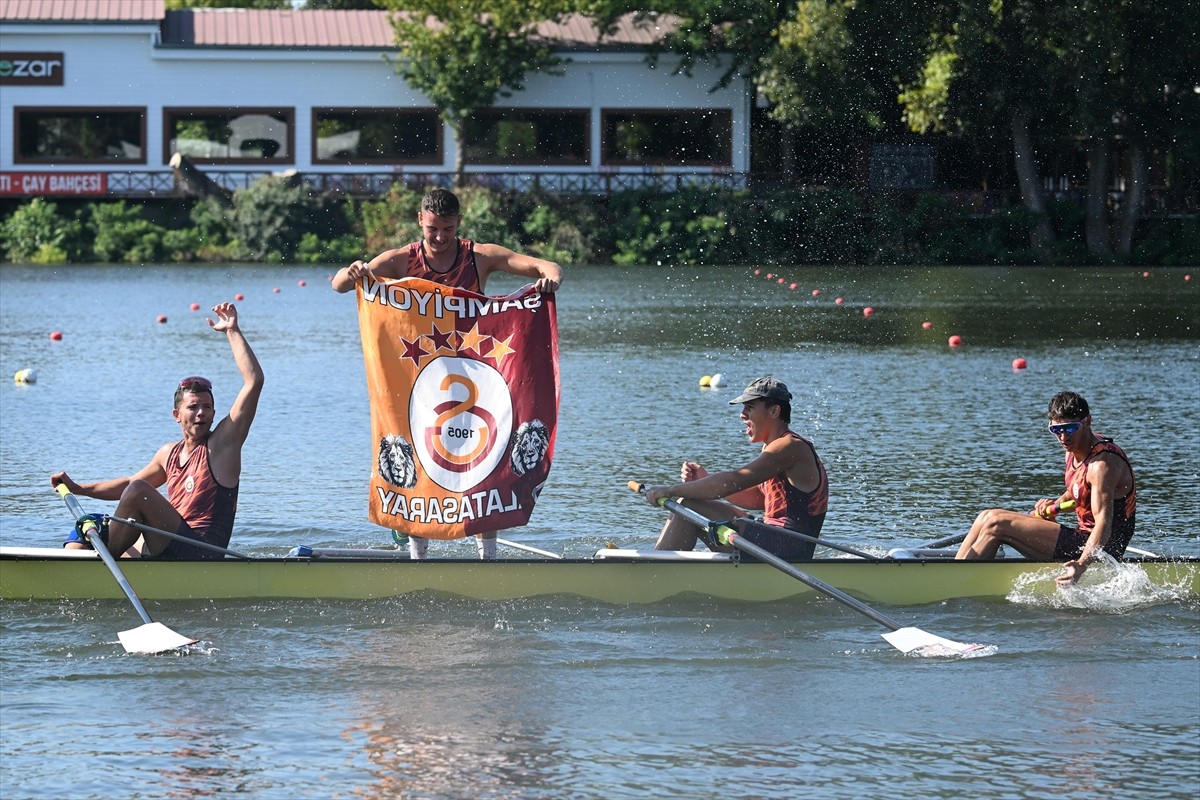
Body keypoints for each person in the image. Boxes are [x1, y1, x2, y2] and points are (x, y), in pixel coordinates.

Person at [332, 187, 563, 560]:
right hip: (420, 381)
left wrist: (550, 279)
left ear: (459, 223)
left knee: (484, 464)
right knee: (418, 459)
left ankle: (488, 558)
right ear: (420, 221)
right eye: (432, 229)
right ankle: (417, 557)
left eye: (448, 230)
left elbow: (547, 267)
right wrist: (353, 271)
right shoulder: (401, 260)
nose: (439, 238)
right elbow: (340, 285)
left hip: (473, 378)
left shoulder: (479, 257)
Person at [52, 303, 264, 559]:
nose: (201, 413)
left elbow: (254, 382)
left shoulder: (222, 445)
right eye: (193, 407)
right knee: (91, 525)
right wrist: (79, 488)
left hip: (202, 553)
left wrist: (232, 330)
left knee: (139, 492)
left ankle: (105, 560)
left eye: (207, 407)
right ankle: (78, 567)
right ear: (177, 415)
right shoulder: (168, 454)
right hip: (171, 544)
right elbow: (127, 485)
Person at [955, 391, 1136, 586]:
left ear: (1088, 421)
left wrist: (1081, 565)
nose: (1063, 437)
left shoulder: (1101, 466)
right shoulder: (1074, 450)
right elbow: (1077, 492)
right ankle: (952, 572)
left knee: (996, 524)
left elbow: (1103, 524)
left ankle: (955, 584)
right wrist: (1053, 506)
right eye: (1056, 430)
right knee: (986, 516)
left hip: (1101, 550)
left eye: (1070, 428)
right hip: (1083, 538)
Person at [644, 377, 828, 559]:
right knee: (690, 506)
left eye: (750, 407)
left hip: (788, 547)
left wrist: (670, 490)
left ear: (774, 411)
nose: (742, 414)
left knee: (688, 506)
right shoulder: (774, 447)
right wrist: (704, 481)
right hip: (773, 540)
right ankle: (661, 562)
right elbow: (757, 499)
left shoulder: (790, 446)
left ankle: (655, 567)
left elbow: (733, 481)